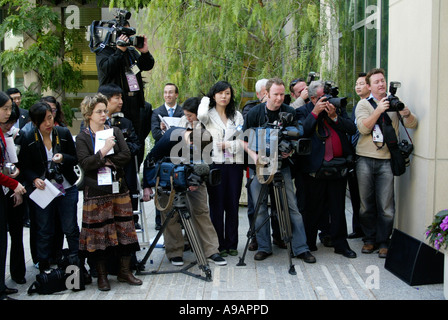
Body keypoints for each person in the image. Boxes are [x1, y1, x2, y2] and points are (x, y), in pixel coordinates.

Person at [142, 97, 226, 266]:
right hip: (170, 178)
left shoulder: (205, 137)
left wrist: (198, 179)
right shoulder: (170, 136)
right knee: (170, 215)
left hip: (194, 178)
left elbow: (207, 163)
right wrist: (147, 186)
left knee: (201, 212)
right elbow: (150, 159)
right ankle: (174, 252)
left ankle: (211, 250)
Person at [242, 77, 316, 263]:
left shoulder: (290, 111)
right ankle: (264, 246)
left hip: (282, 167)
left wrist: (290, 149)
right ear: (266, 94)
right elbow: (242, 139)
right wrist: (254, 156)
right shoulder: (254, 113)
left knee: (292, 208)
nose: (279, 98)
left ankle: (301, 248)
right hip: (259, 167)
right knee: (259, 208)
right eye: (276, 94)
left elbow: (298, 134)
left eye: (282, 94)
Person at [76, 94, 142, 291]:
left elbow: (126, 155)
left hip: (118, 188)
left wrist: (105, 162)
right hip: (96, 192)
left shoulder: (114, 131)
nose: (104, 114)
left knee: (125, 230)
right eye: (99, 111)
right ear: (89, 114)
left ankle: (124, 271)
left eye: (105, 110)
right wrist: (103, 151)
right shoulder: (82, 137)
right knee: (98, 235)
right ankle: (102, 276)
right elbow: (85, 163)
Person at [355, 68, 418, 258]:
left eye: (383, 80)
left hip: (386, 160)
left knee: (386, 205)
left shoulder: (394, 103)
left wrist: (406, 114)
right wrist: (379, 110)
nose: (381, 84)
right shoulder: (363, 105)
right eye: (376, 82)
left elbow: (412, 124)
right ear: (369, 86)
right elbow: (363, 128)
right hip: (365, 159)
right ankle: (369, 239)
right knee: (366, 204)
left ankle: (384, 241)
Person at [296, 80, 357, 258]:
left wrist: (334, 117)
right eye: (323, 97)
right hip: (314, 167)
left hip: (338, 166)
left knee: (338, 207)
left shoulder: (336, 108)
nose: (328, 101)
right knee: (312, 208)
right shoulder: (303, 111)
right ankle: (308, 243)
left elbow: (352, 128)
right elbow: (302, 131)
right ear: (313, 98)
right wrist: (315, 113)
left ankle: (341, 244)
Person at [18, 102, 80, 273]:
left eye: (50, 118)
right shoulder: (29, 137)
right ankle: (44, 266)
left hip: (66, 187)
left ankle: (78, 262)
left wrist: (63, 159)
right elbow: (24, 166)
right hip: (44, 189)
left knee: (70, 227)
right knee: (44, 228)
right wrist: (35, 179)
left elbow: (75, 159)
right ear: (35, 122)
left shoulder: (63, 133)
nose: (48, 123)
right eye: (44, 120)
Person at [198, 81, 244, 257]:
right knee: (216, 204)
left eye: (227, 93)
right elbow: (200, 114)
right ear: (214, 95)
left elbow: (241, 139)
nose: (224, 97)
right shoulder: (208, 115)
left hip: (234, 163)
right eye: (220, 93)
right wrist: (205, 99)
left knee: (232, 203)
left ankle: (232, 243)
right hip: (215, 162)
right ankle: (217, 244)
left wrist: (228, 145)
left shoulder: (237, 115)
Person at [95, 26, 155, 142]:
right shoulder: (104, 51)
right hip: (116, 105)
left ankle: (135, 157)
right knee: (120, 139)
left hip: (135, 103)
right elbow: (107, 69)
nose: (126, 39)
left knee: (136, 139)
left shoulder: (131, 51)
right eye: (123, 35)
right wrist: (119, 51)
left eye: (128, 36)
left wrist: (145, 53)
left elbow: (146, 65)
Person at [97, 84, 142, 212]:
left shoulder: (125, 122)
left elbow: (136, 145)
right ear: (105, 99)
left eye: (121, 98)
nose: (121, 102)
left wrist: (118, 147)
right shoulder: (93, 123)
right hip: (103, 172)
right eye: (117, 98)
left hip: (125, 171)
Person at [0, 92, 27, 300]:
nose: (9, 114)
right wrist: (14, 184)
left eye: (10, 110)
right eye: (6, 109)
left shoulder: (5, 135)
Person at [150, 83, 184, 230]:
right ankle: (160, 221)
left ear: (176, 95)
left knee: (179, 186)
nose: (168, 95)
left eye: (171, 92)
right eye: (165, 92)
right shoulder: (157, 112)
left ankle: (180, 220)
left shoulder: (183, 112)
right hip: (163, 155)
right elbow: (155, 135)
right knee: (162, 187)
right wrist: (165, 132)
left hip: (179, 154)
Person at [347, 73, 370, 239]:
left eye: (361, 83)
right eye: (356, 83)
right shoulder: (357, 106)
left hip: (366, 154)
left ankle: (367, 230)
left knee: (366, 196)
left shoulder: (372, 105)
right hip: (354, 155)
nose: (358, 86)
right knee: (356, 194)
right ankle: (358, 228)